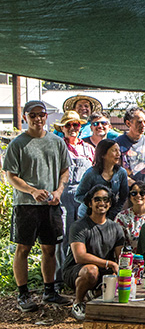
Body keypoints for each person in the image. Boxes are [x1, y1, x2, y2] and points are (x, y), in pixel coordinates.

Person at [3, 100, 70, 311]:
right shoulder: (17, 144)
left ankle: (49, 290)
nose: (38, 118)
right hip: (25, 205)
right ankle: (23, 294)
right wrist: (32, 191)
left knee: (49, 248)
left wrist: (58, 191)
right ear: (25, 117)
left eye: (41, 114)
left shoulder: (57, 142)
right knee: (23, 248)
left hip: (50, 204)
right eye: (33, 115)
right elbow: (10, 176)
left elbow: (65, 170)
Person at [64, 184, 126, 321]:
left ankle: (95, 292)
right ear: (89, 203)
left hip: (105, 271)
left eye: (106, 199)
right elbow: (79, 256)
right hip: (77, 270)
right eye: (97, 199)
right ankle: (78, 303)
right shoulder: (79, 226)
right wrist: (109, 263)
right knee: (91, 271)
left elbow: (120, 256)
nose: (102, 203)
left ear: (110, 204)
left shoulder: (115, 227)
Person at [54, 111, 94, 286]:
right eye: (68, 125)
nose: (72, 128)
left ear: (80, 127)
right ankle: (59, 278)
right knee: (62, 236)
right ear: (62, 128)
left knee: (83, 236)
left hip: (84, 196)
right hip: (63, 195)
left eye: (75, 125)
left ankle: (78, 275)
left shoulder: (89, 148)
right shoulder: (57, 146)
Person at [75, 139, 129, 220]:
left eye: (119, 150)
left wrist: (113, 212)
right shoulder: (91, 173)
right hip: (87, 217)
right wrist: (95, 203)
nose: (118, 154)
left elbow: (123, 197)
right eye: (114, 150)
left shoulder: (121, 173)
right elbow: (78, 196)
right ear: (103, 154)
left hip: (110, 217)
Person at [116, 106, 145, 188]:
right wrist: (136, 186)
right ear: (128, 123)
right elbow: (117, 170)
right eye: (139, 122)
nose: (143, 125)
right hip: (125, 191)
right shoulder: (118, 143)